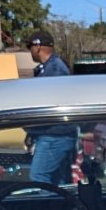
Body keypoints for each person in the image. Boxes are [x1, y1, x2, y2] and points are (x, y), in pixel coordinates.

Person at [25, 31, 77, 185]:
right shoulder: (49, 68)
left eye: (30, 46)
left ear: (38, 46)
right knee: (58, 182)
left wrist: (32, 125)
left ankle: (46, 209)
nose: (30, 51)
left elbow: (51, 104)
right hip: (55, 134)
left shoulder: (55, 70)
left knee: (38, 177)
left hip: (55, 135)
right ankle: (60, 208)